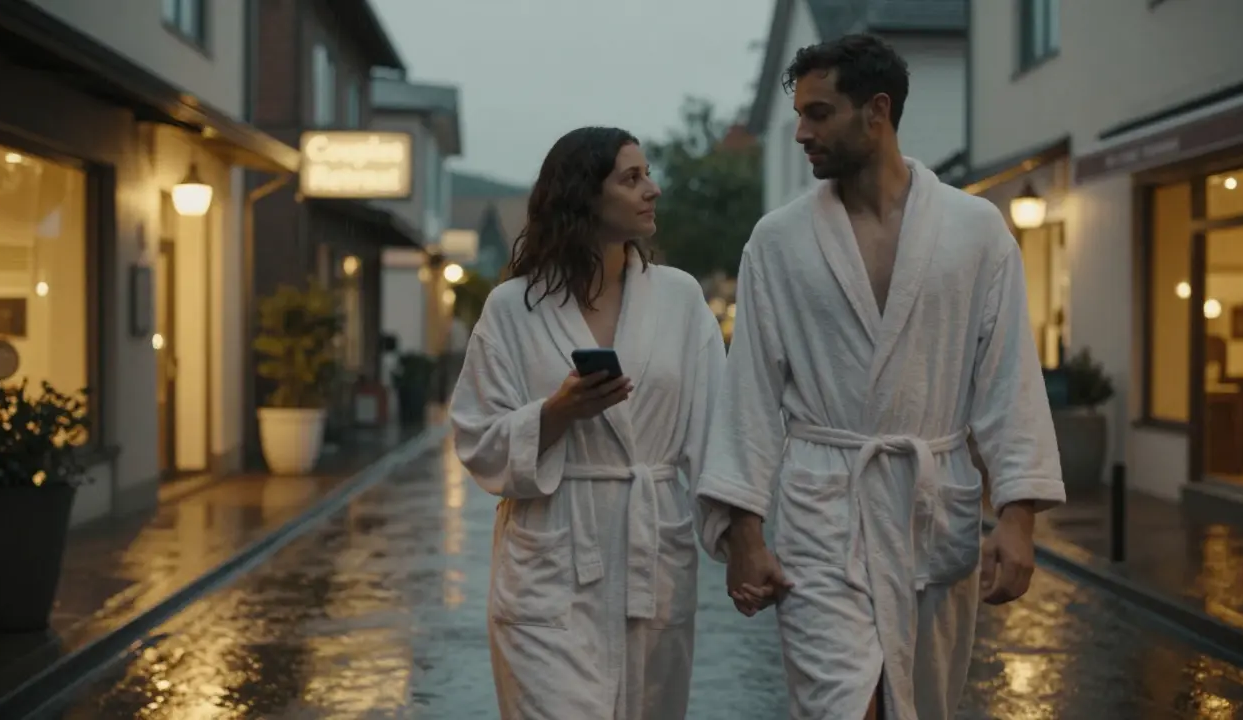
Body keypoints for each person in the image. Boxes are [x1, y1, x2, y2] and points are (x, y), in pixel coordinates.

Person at [694, 35, 1066, 720]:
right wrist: (744, 537)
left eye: (819, 113)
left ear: (878, 111)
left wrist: (1018, 519)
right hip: (822, 512)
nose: (802, 132)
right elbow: (748, 393)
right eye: (799, 114)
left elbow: (1008, 378)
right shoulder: (777, 241)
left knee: (918, 703)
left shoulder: (974, 230)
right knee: (844, 705)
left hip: (929, 512)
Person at [449, 126, 725, 720]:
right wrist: (554, 415)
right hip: (550, 562)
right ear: (583, 195)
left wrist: (742, 541)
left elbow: (715, 436)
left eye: (648, 174)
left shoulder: (680, 300)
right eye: (631, 178)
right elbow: (475, 435)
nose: (652, 189)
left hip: (653, 552)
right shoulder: (514, 308)